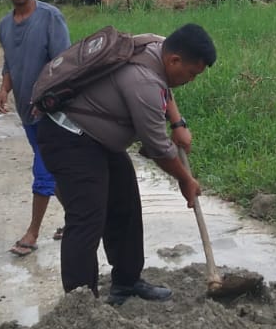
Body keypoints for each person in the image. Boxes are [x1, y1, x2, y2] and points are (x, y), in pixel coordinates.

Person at [35, 23, 213, 304]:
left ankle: (126, 282)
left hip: (98, 136)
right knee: (87, 218)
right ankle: (81, 305)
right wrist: (185, 180)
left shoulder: (156, 45)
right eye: (191, 74)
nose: (191, 80)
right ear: (175, 60)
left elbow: (165, 89)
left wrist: (177, 122)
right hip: (67, 136)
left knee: (125, 204)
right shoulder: (144, 82)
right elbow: (159, 148)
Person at [0, 0, 72, 257]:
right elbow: (9, 62)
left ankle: (32, 233)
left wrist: (48, 102)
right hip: (26, 113)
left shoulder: (50, 18)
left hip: (51, 112)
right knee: (52, 169)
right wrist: (4, 88)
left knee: (42, 172)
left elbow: (64, 66)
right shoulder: (4, 24)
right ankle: (75, 218)